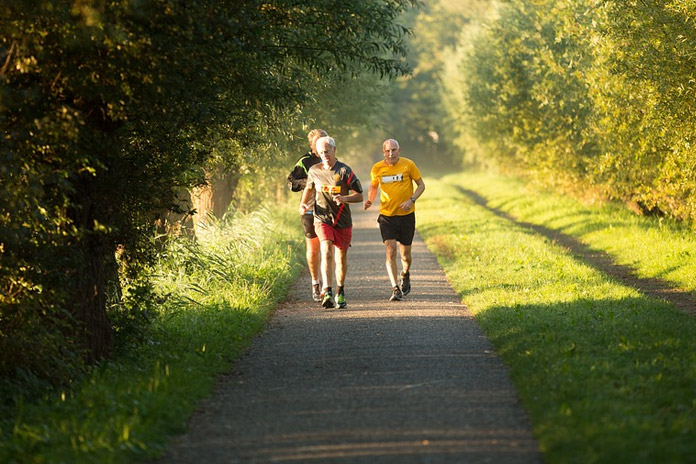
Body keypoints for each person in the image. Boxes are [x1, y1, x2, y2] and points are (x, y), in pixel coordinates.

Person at [299, 136, 363, 309]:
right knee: (326, 249)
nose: (324, 155)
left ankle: (340, 291)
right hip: (322, 218)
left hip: (342, 220)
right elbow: (309, 188)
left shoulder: (344, 171)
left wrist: (344, 198)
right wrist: (303, 204)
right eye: (321, 152)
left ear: (335, 150)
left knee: (340, 257)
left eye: (327, 151)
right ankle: (327, 291)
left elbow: (359, 195)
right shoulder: (313, 171)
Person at [363, 139, 425, 301]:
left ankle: (405, 273)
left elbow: (421, 186)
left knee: (406, 255)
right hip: (387, 216)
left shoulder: (408, 165)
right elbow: (374, 186)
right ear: (383, 152)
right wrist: (369, 200)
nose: (391, 153)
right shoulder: (377, 168)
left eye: (394, 150)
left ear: (399, 150)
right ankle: (395, 287)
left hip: (406, 216)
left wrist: (411, 200)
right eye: (388, 151)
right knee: (390, 251)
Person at [287, 129, 328, 302]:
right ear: (311, 145)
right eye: (318, 142)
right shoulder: (304, 162)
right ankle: (315, 283)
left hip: (327, 209)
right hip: (310, 209)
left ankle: (328, 286)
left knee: (327, 248)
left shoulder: (330, 158)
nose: (321, 146)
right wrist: (310, 183)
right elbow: (292, 183)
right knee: (314, 249)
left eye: (324, 141)